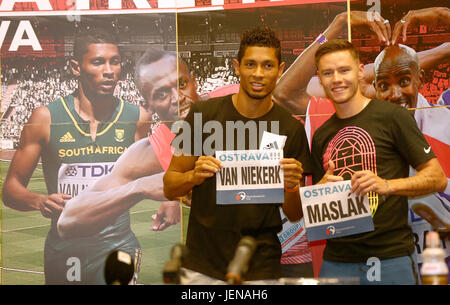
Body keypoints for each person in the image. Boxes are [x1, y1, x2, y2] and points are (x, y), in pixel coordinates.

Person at [163, 26, 312, 284]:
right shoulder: (202, 114)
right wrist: (193, 176)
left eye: (267, 66)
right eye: (250, 64)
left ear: (280, 69)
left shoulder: (291, 129)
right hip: (202, 260)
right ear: (236, 66)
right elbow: (169, 185)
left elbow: (295, 213)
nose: (258, 74)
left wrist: (289, 186)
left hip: (260, 262)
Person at [2, 29, 150, 285]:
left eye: (114, 61)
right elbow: (11, 189)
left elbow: (158, 174)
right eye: (97, 62)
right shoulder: (44, 118)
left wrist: (172, 198)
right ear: (75, 67)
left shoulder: (137, 118)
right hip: (66, 250)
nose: (109, 70)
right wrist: (39, 201)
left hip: (118, 245)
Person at [310, 39, 447, 284]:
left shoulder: (393, 116)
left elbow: (436, 177)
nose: (337, 79)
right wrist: (320, 189)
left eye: (344, 70)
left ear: (361, 72)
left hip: (390, 257)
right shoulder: (321, 135)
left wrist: (387, 185)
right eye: (328, 73)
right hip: (337, 261)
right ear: (320, 80)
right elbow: (310, 204)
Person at [57, 49, 201, 240]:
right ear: (148, 106)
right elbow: (67, 221)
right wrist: (140, 187)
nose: (178, 98)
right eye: (161, 94)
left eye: (182, 84)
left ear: (195, 81)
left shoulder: (235, 106)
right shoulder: (150, 154)